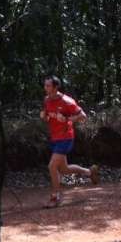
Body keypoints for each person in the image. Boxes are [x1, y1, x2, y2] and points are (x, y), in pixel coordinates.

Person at [39, 75, 98, 208]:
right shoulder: (47, 100)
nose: (45, 88)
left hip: (66, 138)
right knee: (64, 169)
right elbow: (47, 116)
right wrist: (44, 116)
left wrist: (67, 119)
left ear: (55, 87)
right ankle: (89, 172)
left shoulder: (67, 101)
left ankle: (55, 197)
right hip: (54, 138)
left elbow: (83, 116)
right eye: (45, 85)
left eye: (48, 86)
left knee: (52, 166)